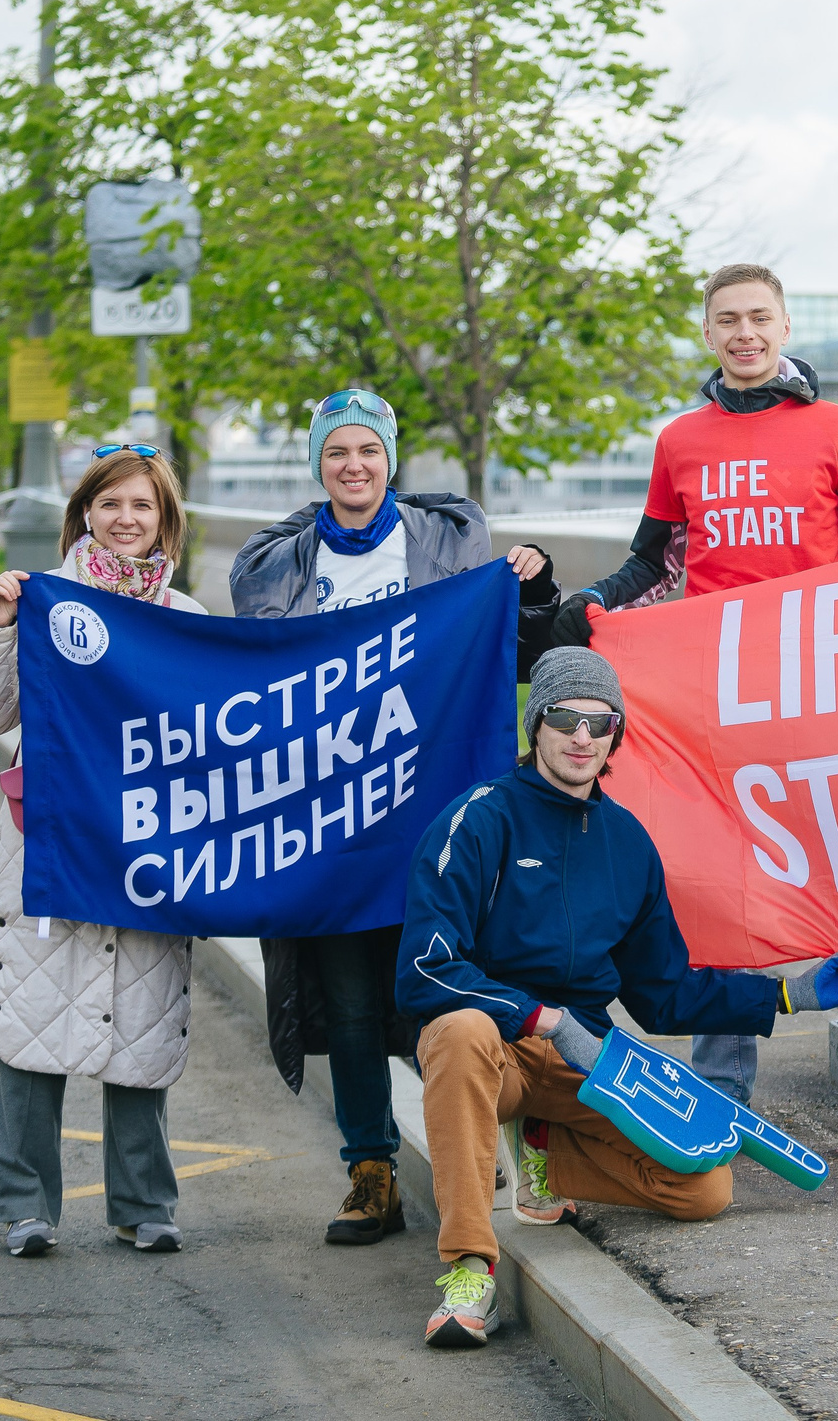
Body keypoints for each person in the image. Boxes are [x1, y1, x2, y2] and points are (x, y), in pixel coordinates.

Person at [546, 263, 838, 1159]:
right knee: (721, 890)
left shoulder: (837, 428)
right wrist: (594, 600)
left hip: (821, 693)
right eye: (728, 320)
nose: (745, 333)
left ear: (786, 324)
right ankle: (721, 1088)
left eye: (760, 317)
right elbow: (650, 560)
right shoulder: (681, 438)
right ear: (708, 333)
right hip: (715, 701)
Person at [402, 647, 838, 1347]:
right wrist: (543, 1017)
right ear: (539, 723)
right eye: (565, 717)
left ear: (616, 734)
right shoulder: (479, 819)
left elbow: (665, 993)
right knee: (458, 1029)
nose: (582, 736)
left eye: (600, 722)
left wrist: (789, 992)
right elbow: (426, 968)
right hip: (496, 1048)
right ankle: (470, 1270)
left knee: (704, 1187)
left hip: (585, 1062)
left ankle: (544, 1150)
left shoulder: (628, 843)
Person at [229, 387, 559, 1247]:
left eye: (368, 451)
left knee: (451, 983)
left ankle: (474, 1133)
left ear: (390, 459)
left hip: (430, 807)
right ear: (318, 466)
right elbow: (257, 684)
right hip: (329, 820)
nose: (353, 466)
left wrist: (530, 583)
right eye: (336, 452)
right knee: (344, 998)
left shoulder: (447, 545)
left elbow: (502, 649)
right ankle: (370, 1169)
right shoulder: (280, 566)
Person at [0, 444, 206, 1258]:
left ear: (164, 518)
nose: (126, 519)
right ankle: (23, 1204)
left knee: (138, 1013)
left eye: (142, 506)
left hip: (144, 841)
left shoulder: (187, 615)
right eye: (110, 505)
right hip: (55, 836)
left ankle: (143, 1202)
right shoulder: (45, 600)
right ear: (85, 515)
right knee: (34, 1010)